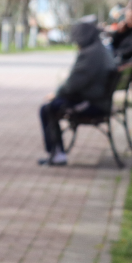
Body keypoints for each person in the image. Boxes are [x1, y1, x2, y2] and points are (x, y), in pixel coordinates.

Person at [38, 16, 116, 166]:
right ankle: (57, 152)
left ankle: (57, 154)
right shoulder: (100, 49)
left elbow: (72, 85)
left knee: (48, 108)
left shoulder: (90, 55)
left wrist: (56, 94)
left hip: (93, 103)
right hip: (100, 99)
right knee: (54, 104)